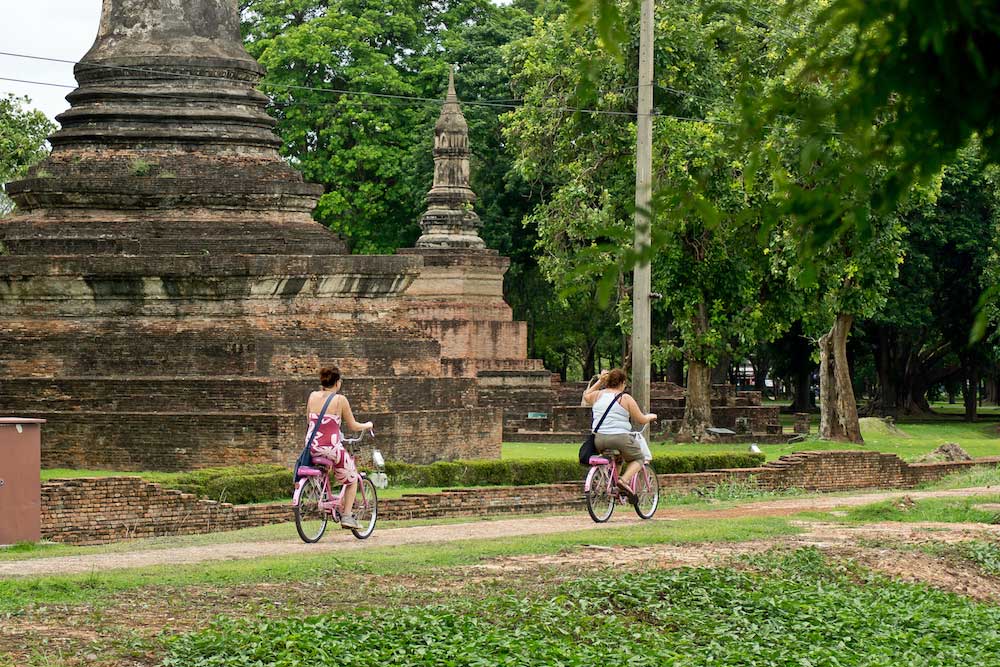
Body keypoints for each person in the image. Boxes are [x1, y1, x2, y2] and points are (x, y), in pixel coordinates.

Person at [306, 366, 373, 529]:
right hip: (330, 447)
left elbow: (309, 421)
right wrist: (368, 425)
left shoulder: (312, 396)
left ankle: (327, 495)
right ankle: (347, 516)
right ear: (338, 383)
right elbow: (353, 425)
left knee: (328, 463)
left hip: (312, 445)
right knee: (352, 478)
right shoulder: (340, 400)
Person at [582, 368, 657, 502]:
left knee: (618, 457)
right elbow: (640, 419)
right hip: (620, 438)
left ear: (608, 382)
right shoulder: (625, 398)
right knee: (639, 458)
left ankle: (613, 485)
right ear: (622, 382)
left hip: (599, 440)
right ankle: (623, 481)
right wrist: (651, 417)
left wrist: (600, 381)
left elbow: (586, 395)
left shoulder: (598, 395)